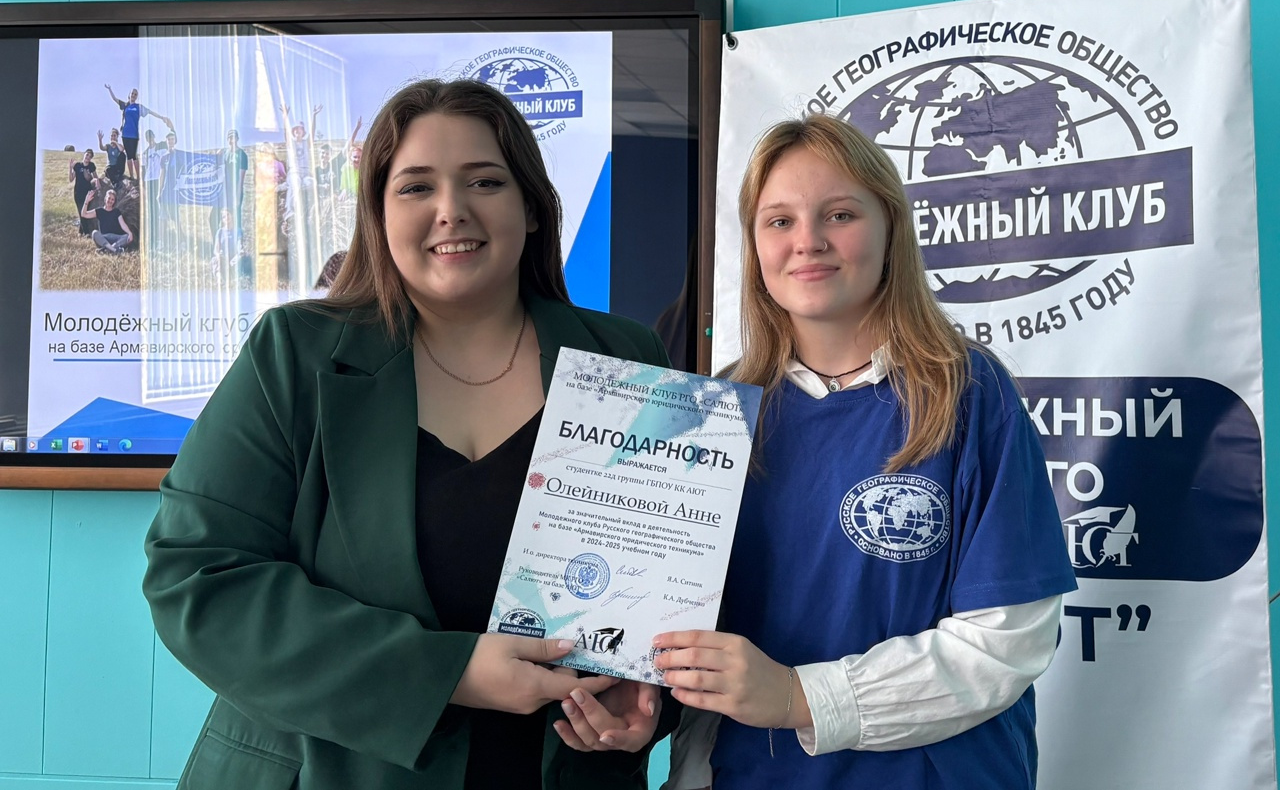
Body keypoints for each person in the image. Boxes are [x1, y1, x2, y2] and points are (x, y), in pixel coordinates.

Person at [143, 78, 678, 789]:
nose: (451, 209)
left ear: (531, 207)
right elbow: (197, 577)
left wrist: (649, 705)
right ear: (378, 213)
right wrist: (449, 673)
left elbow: (674, 586)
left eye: (485, 181)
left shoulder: (626, 358)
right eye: (416, 187)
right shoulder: (293, 354)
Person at [645, 114, 1076, 789]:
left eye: (839, 214)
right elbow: (686, 628)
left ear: (890, 229)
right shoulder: (715, 411)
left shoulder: (967, 393)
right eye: (779, 221)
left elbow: (1008, 640)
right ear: (754, 244)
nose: (808, 241)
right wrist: (640, 705)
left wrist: (801, 697)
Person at [105, 84, 174, 183]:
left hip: (134, 134)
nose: (133, 95)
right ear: (129, 95)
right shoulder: (125, 105)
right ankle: (131, 176)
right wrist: (110, 89)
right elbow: (115, 99)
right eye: (132, 93)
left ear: (137, 96)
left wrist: (162, 117)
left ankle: (138, 177)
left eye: (135, 94)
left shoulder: (138, 107)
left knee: (134, 156)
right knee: (128, 156)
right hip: (125, 134)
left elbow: (150, 112)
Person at [81, 186, 133, 254]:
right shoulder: (99, 211)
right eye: (109, 198)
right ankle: (114, 250)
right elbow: (84, 214)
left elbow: (122, 224)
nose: (110, 201)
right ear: (105, 198)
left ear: (114, 201)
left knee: (126, 237)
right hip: (104, 238)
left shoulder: (116, 211)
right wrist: (86, 201)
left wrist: (129, 233)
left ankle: (107, 249)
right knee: (94, 233)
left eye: (112, 199)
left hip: (116, 238)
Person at [69, 149, 98, 235]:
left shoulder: (91, 166)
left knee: (86, 211)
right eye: (87, 155)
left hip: (88, 192)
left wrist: (93, 179)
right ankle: (86, 232)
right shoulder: (77, 165)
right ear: (84, 154)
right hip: (78, 192)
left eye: (90, 156)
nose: (88, 157)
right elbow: (71, 179)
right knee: (81, 211)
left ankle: (81, 231)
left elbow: (96, 177)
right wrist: (70, 168)